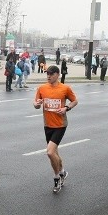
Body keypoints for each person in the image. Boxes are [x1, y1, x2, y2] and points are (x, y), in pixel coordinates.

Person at [33, 65, 78, 193]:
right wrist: (36, 104)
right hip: (47, 125)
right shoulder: (42, 88)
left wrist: (66, 108)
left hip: (60, 125)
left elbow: (75, 101)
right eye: (47, 74)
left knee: (50, 152)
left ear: (57, 75)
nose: (48, 76)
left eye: (51, 74)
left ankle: (57, 177)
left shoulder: (65, 88)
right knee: (55, 152)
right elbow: (36, 103)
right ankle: (63, 172)